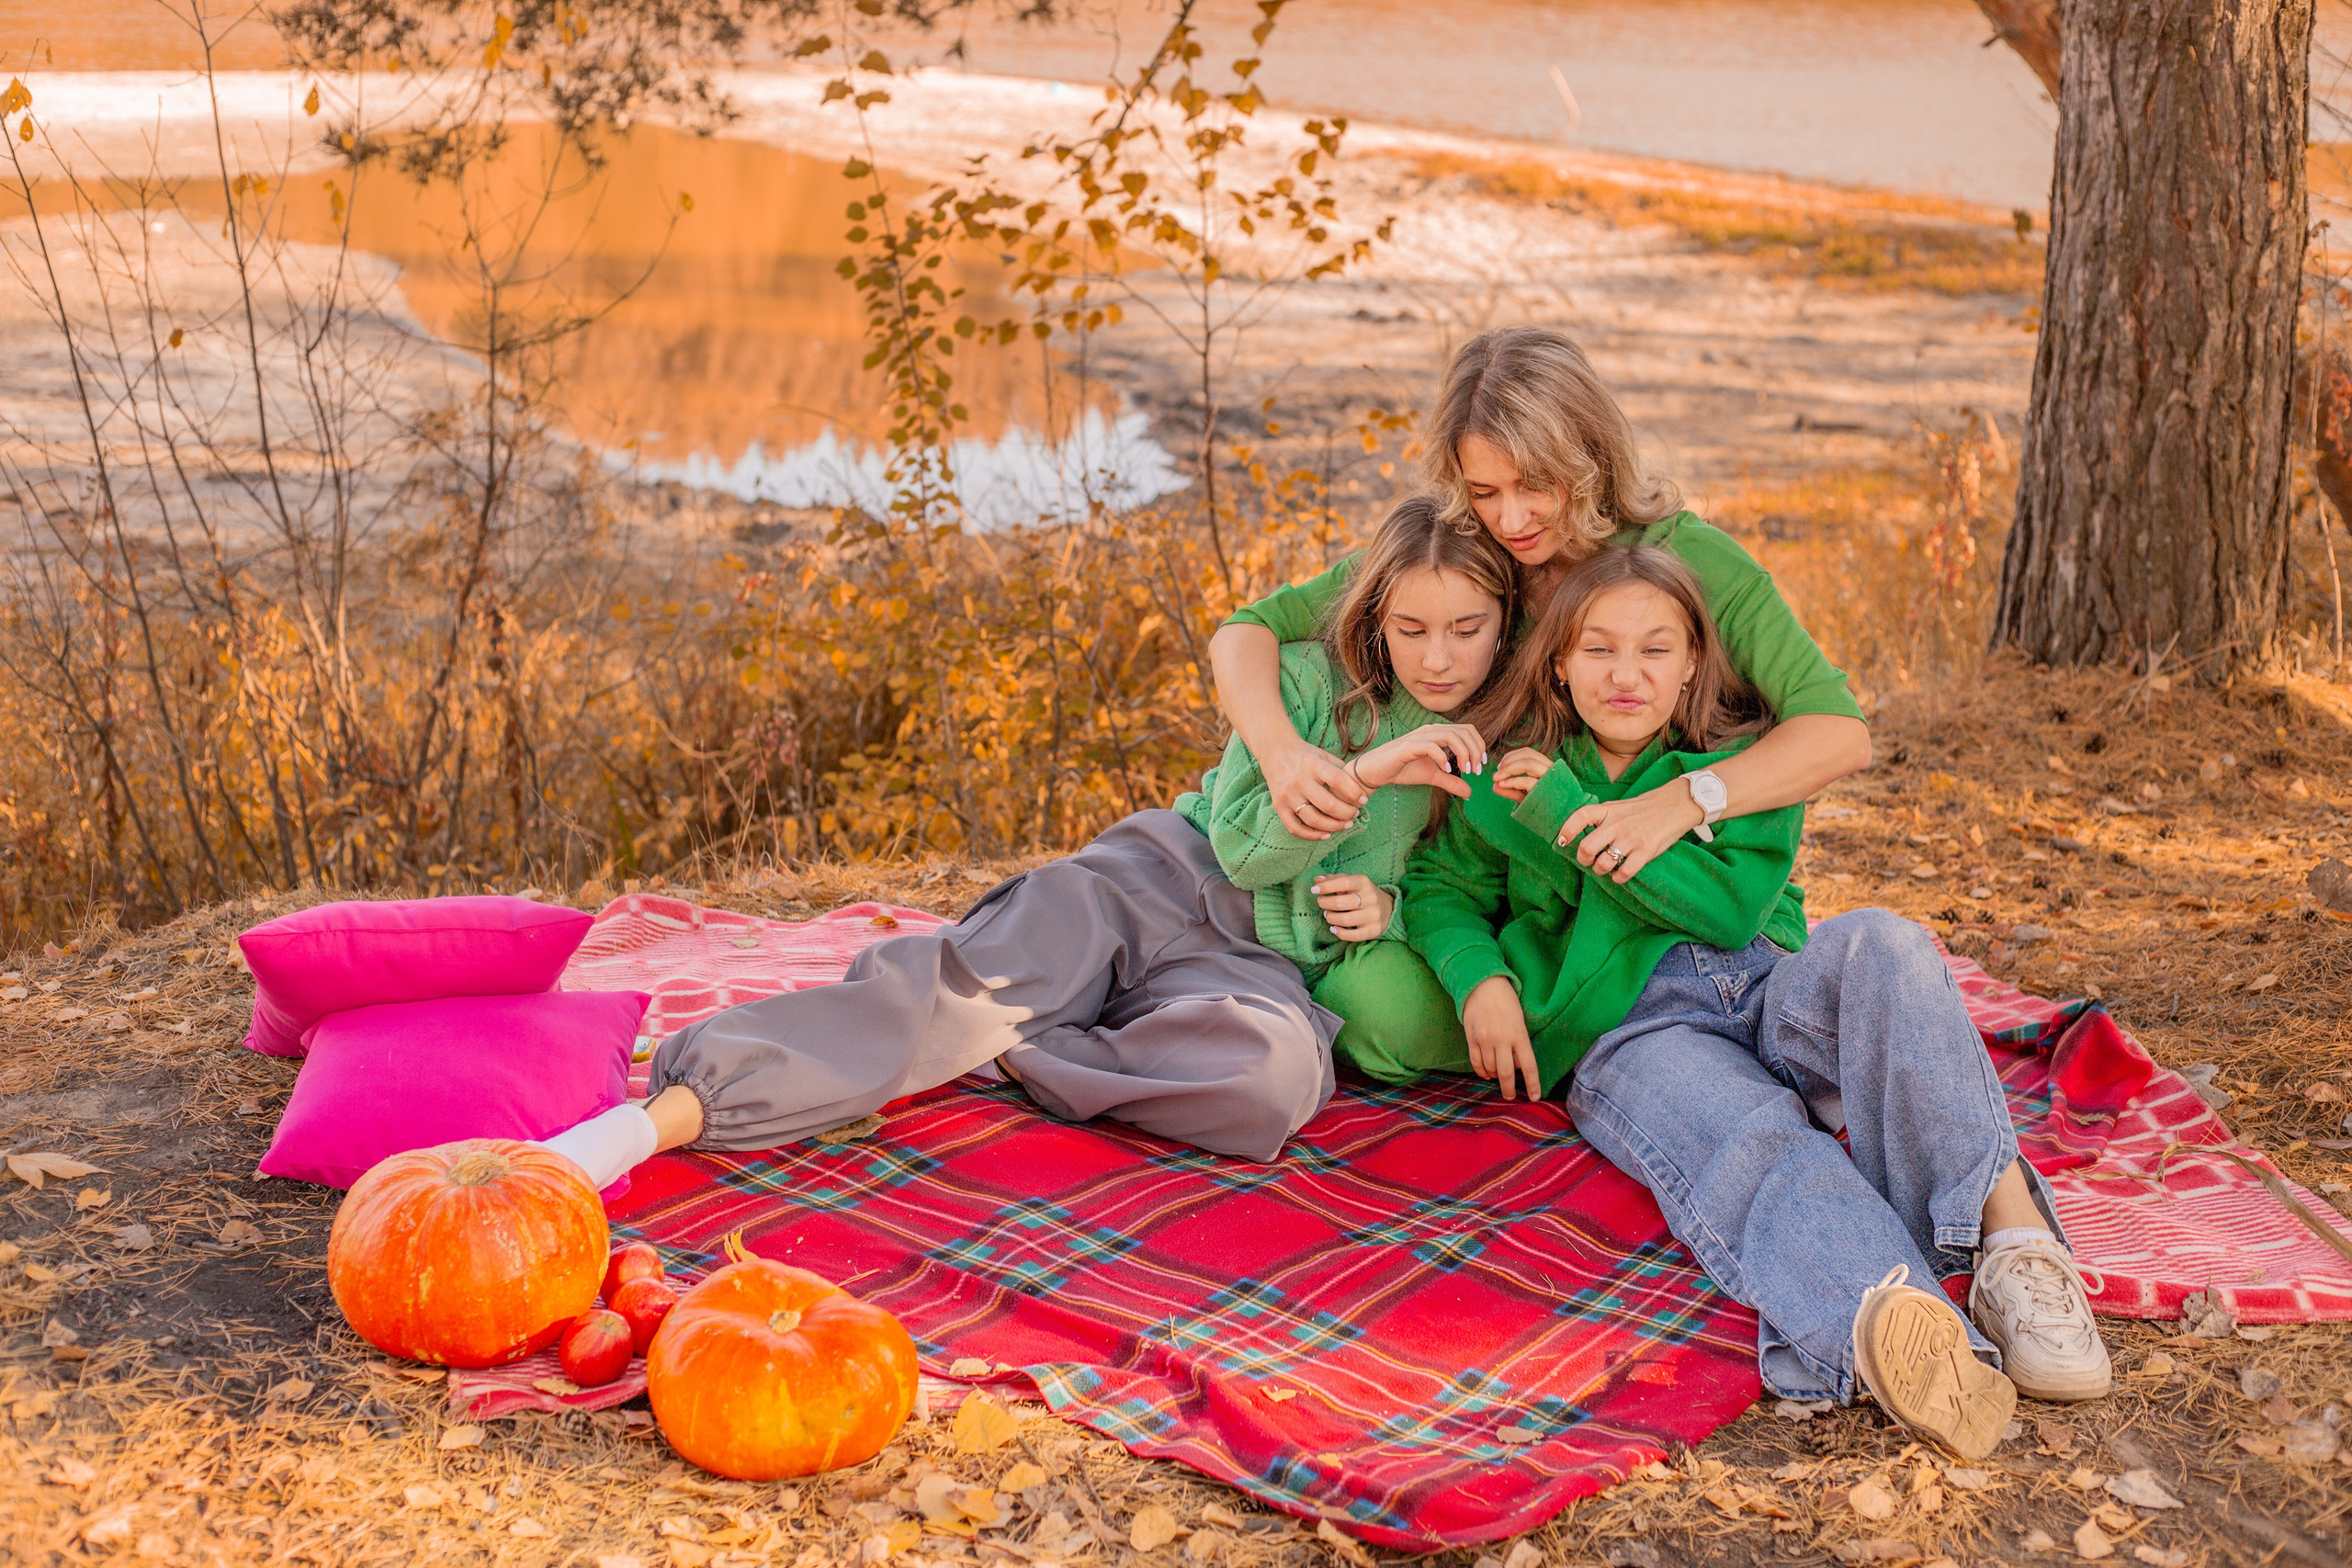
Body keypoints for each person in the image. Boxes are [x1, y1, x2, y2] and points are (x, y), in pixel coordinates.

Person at [531, 499, 1504, 1184]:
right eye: (1411, 627)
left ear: (1504, 625)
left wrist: (1393, 909)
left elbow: (1468, 893)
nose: (1436, 655)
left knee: (1273, 1082)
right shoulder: (1301, 679)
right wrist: (1370, 770)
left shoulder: (1495, 747)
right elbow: (1248, 851)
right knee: (951, 993)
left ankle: (1011, 1047)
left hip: (1256, 963)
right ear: (1373, 618)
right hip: (1157, 877)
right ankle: (641, 1129)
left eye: (1465, 628)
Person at [1402, 546, 2111, 1461]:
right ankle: (1892, 1321)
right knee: (1754, 1136)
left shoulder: (1738, 765)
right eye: (1598, 650)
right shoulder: (1510, 779)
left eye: (1655, 650)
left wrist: (1569, 817)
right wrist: (1479, 979)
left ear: (1693, 659)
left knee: (1887, 944)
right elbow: (1438, 886)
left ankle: (2012, 1252)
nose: (1626, 676)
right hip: (1634, 1031)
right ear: (1558, 663)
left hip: (1767, 984)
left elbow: (1727, 909)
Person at [1207, 325, 1872, 876]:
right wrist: (1282, 753)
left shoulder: (1693, 560)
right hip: (1487, 885)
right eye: (1485, 489)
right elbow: (1249, 630)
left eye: (1534, 484)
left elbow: (1838, 733)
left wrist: (1684, 801)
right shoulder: (1468, 547)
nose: (1512, 518)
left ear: (1589, 456)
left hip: (1665, 882)